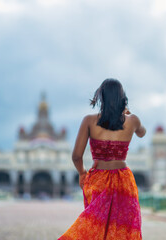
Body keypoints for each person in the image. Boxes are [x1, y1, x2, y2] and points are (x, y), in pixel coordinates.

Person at [58, 78, 146, 240]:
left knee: (95, 226)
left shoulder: (89, 121)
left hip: (98, 179)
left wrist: (82, 173)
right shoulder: (133, 120)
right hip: (124, 182)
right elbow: (142, 132)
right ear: (122, 98)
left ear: (101, 98)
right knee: (123, 227)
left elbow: (76, 156)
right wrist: (127, 112)